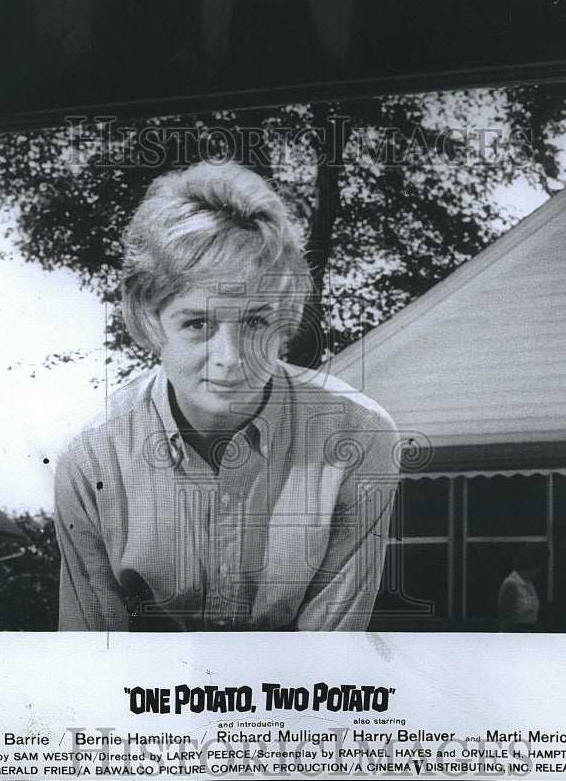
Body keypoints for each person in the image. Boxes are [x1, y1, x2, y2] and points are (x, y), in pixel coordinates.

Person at [55, 161, 401, 631]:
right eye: (198, 324)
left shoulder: (360, 438)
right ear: (150, 320)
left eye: (256, 322)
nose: (230, 358)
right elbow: (90, 660)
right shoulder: (92, 458)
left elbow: (328, 661)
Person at [497, 544, 545, 632]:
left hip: (532, 631)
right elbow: (504, 618)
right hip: (517, 632)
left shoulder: (529, 583)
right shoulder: (511, 584)